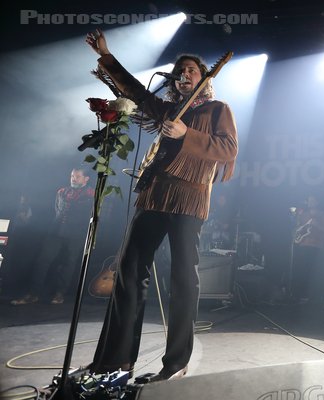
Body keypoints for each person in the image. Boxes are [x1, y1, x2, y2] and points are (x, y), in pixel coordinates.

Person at [85, 29, 238, 382]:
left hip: (189, 196)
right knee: (128, 270)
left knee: (183, 278)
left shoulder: (218, 109)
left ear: (204, 77)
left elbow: (228, 149)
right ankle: (116, 359)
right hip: (154, 193)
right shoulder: (167, 108)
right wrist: (107, 56)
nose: (184, 74)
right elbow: (135, 92)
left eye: (192, 70)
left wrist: (187, 135)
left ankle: (176, 363)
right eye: (180, 71)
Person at [10, 168, 94, 305]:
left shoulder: (92, 194)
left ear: (86, 179)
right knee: (43, 260)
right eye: (72, 175)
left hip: (77, 233)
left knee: (68, 263)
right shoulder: (62, 192)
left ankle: (59, 293)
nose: (73, 178)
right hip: (56, 231)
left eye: (78, 176)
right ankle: (33, 293)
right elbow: (57, 210)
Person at [289, 194, 324, 304]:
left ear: (317, 202)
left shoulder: (322, 215)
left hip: (315, 245)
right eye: (309, 201)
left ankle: (310, 295)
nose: (310, 202)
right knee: (300, 270)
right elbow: (297, 228)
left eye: (313, 200)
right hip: (302, 245)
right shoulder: (303, 214)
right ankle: (298, 294)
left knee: (311, 271)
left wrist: (317, 225)